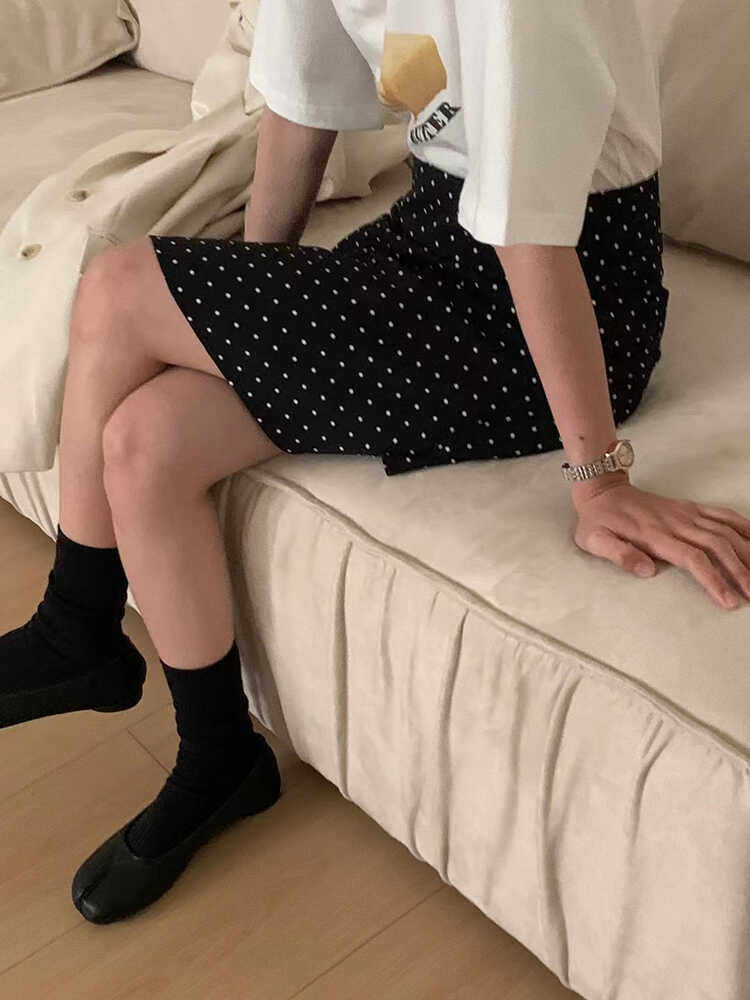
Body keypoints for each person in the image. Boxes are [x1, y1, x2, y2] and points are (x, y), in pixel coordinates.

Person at [3, 0, 750, 925]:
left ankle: (77, 624)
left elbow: (532, 223)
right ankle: (219, 757)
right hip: (435, 237)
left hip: (566, 289)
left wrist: (600, 481)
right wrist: (243, 323)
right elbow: (300, 106)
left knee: (118, 290)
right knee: (143, 443)